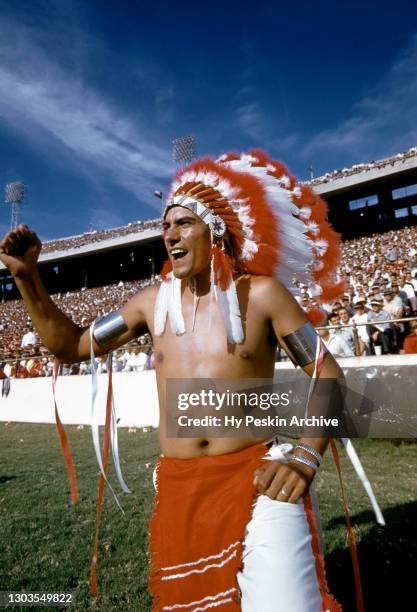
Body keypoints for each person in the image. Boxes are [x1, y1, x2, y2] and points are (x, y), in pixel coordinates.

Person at [0, 151, 345, 611]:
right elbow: (73, 346)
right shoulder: (149, 305)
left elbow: (327, 371)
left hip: (258, 478)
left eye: (183, 223)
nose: (169, 234)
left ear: (215, 229)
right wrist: (28, 280)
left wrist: (304, 457)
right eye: (166, 226)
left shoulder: (261, 295)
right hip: (181, 489)